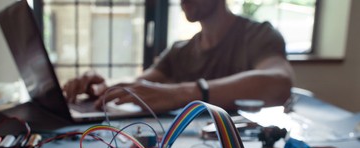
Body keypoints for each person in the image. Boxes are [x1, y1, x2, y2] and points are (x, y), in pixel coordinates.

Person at [63, 0, 294, 113]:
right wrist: (104, 87)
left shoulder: (259, 35)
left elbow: (280, 83)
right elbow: (142, 85)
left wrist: (187, 94)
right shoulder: (179, 51)